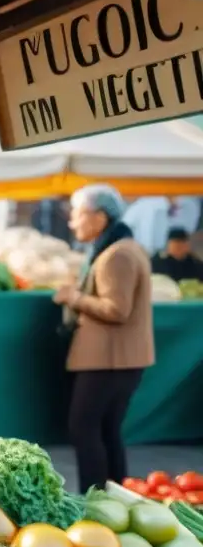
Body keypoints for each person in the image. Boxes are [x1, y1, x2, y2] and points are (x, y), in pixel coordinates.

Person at [53, 184, 154, 494]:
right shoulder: (122, 247)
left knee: (84, 428)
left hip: (109, 360)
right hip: (116, 359)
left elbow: (116, 309)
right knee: (107, 430)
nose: (73, 222)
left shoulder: (115, 256)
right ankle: (113, 498)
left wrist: (74, 297)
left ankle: (94, 499)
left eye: (78, 215)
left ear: (99, 217)